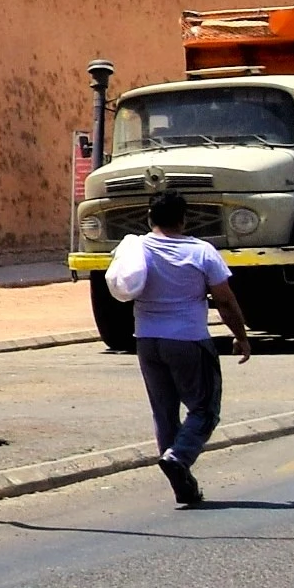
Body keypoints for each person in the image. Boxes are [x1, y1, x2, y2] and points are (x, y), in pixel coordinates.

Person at [104, 192, 251, 504]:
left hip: (146, 341)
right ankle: (179, 457)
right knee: (205, 409)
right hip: (188, 340)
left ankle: (182, 484)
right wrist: (241, 336)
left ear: (149, 218)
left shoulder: (136, 247)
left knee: (164, 413)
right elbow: (224, 300)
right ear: (184, 219)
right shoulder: (201, 252)